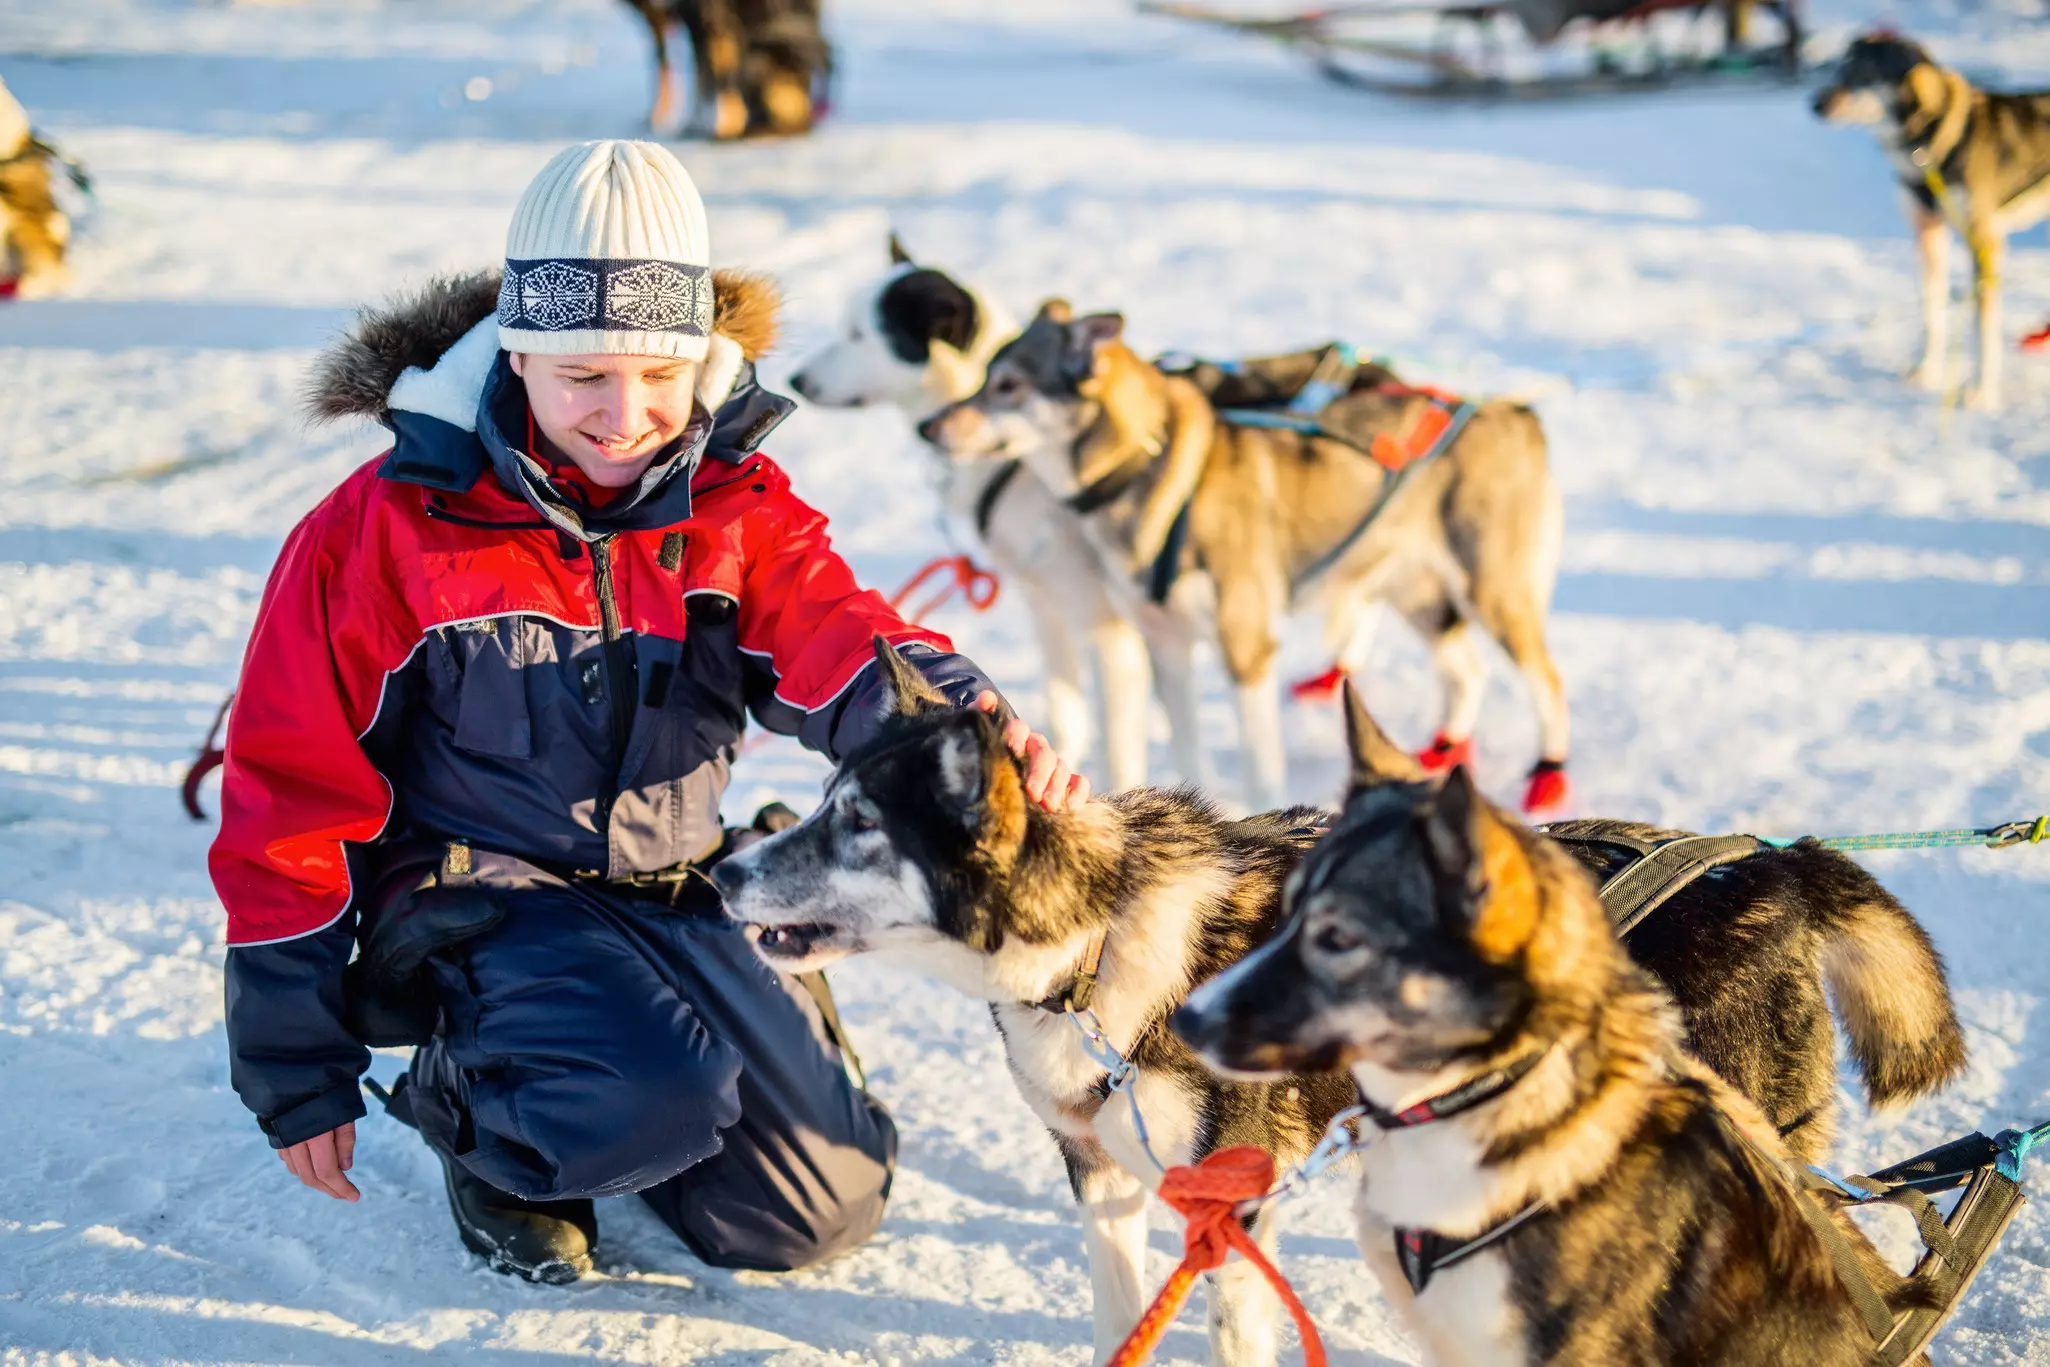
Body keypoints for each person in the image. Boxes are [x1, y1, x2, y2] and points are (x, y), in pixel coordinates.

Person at [212, 139, 1086, 1284]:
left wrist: (965, 729)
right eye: (584, 376)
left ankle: (675, 1059)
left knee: (809, 1214)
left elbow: (840, 633)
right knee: (636, 1103)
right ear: (516, 353)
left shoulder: (733, 505)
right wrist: (296, 1065)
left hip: (680, 875)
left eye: (658, 377)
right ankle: (484, 1112)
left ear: (701, 361)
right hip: (489, 896)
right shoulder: (379, 530)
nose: (625, 414)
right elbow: (286, 790)